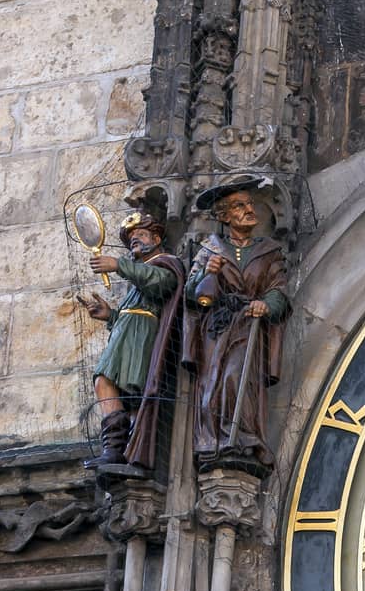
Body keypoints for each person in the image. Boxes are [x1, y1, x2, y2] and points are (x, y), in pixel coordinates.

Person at [184, 181, 290, 471]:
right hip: (216, 328)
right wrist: (208, 273)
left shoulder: (269, 251)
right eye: (239, 206)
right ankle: (213, 439)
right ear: (224, 216)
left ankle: (243, 436)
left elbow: (278, 288)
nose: (248, 210)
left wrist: (266, 304)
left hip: (248, 324)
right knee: (213, 381)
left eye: (249, 204)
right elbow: (192, 295)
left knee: (236, 375)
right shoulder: (209, 250)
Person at [72, 211, 185, 468]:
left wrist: (118, 265)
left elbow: (161, 285)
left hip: (142, 341)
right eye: (131, 239)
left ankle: (123, 447)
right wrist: (110, 315)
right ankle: (119, 448)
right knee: (112, 386)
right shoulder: (138, 277)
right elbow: (134, 313)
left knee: (109, 383)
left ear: (156, 238)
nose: (135, 241)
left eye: (140, 236)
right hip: (127, 338)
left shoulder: (166, 263)